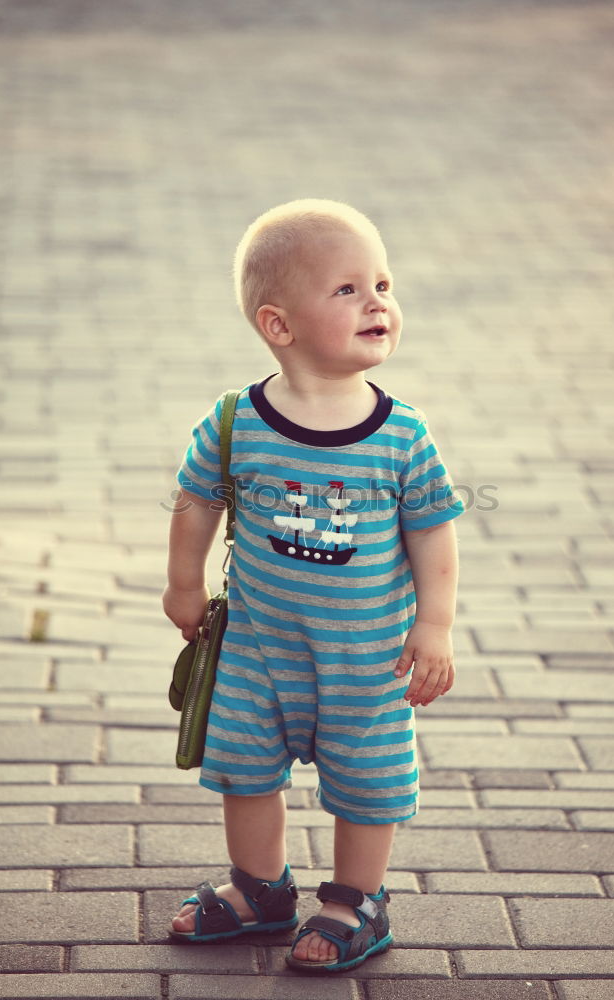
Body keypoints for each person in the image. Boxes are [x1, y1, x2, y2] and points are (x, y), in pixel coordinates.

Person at [163, 198, 464, 972]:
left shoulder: (403, 434)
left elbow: (433, 529)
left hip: (365, 659)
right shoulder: (236, 422)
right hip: (259, 650)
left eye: (385, 285)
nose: (379, 303)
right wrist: (183, 585)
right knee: (244, 768)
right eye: (348, 289)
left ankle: (354, 900)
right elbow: (197, 501)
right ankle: (261, 888)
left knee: (368, 780)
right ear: (278, 325)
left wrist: (434, 625)